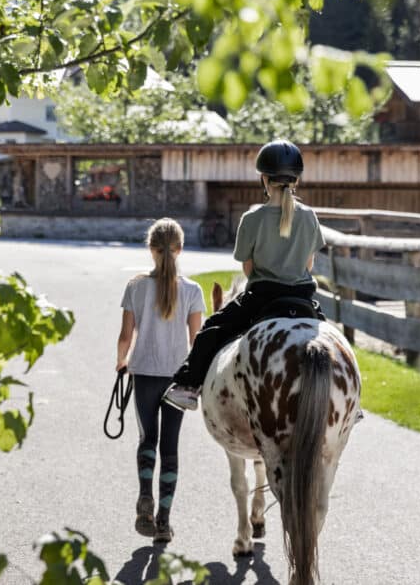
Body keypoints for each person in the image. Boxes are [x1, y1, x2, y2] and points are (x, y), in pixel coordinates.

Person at [163, 139, 326, 412]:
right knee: (332, 343)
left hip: (261, 298)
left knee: (211, 331)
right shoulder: (309, 217)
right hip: (302, 299)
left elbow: (248, 269)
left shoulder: (251, 219)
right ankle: (351, 404)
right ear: (296, 180)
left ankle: (187, 387)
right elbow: (309, 264)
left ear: (264, 178)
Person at [116, 218, 206, 543]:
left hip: (143, 374)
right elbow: (197, 342)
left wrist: (121, 362)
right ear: (179, 249)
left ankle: (145, 496)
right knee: (170, 448)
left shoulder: (135, 286)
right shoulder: (193, 291)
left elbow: (126, 336)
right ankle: (164, 522)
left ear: (150, 250)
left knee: (146, 440)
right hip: (177, 378)